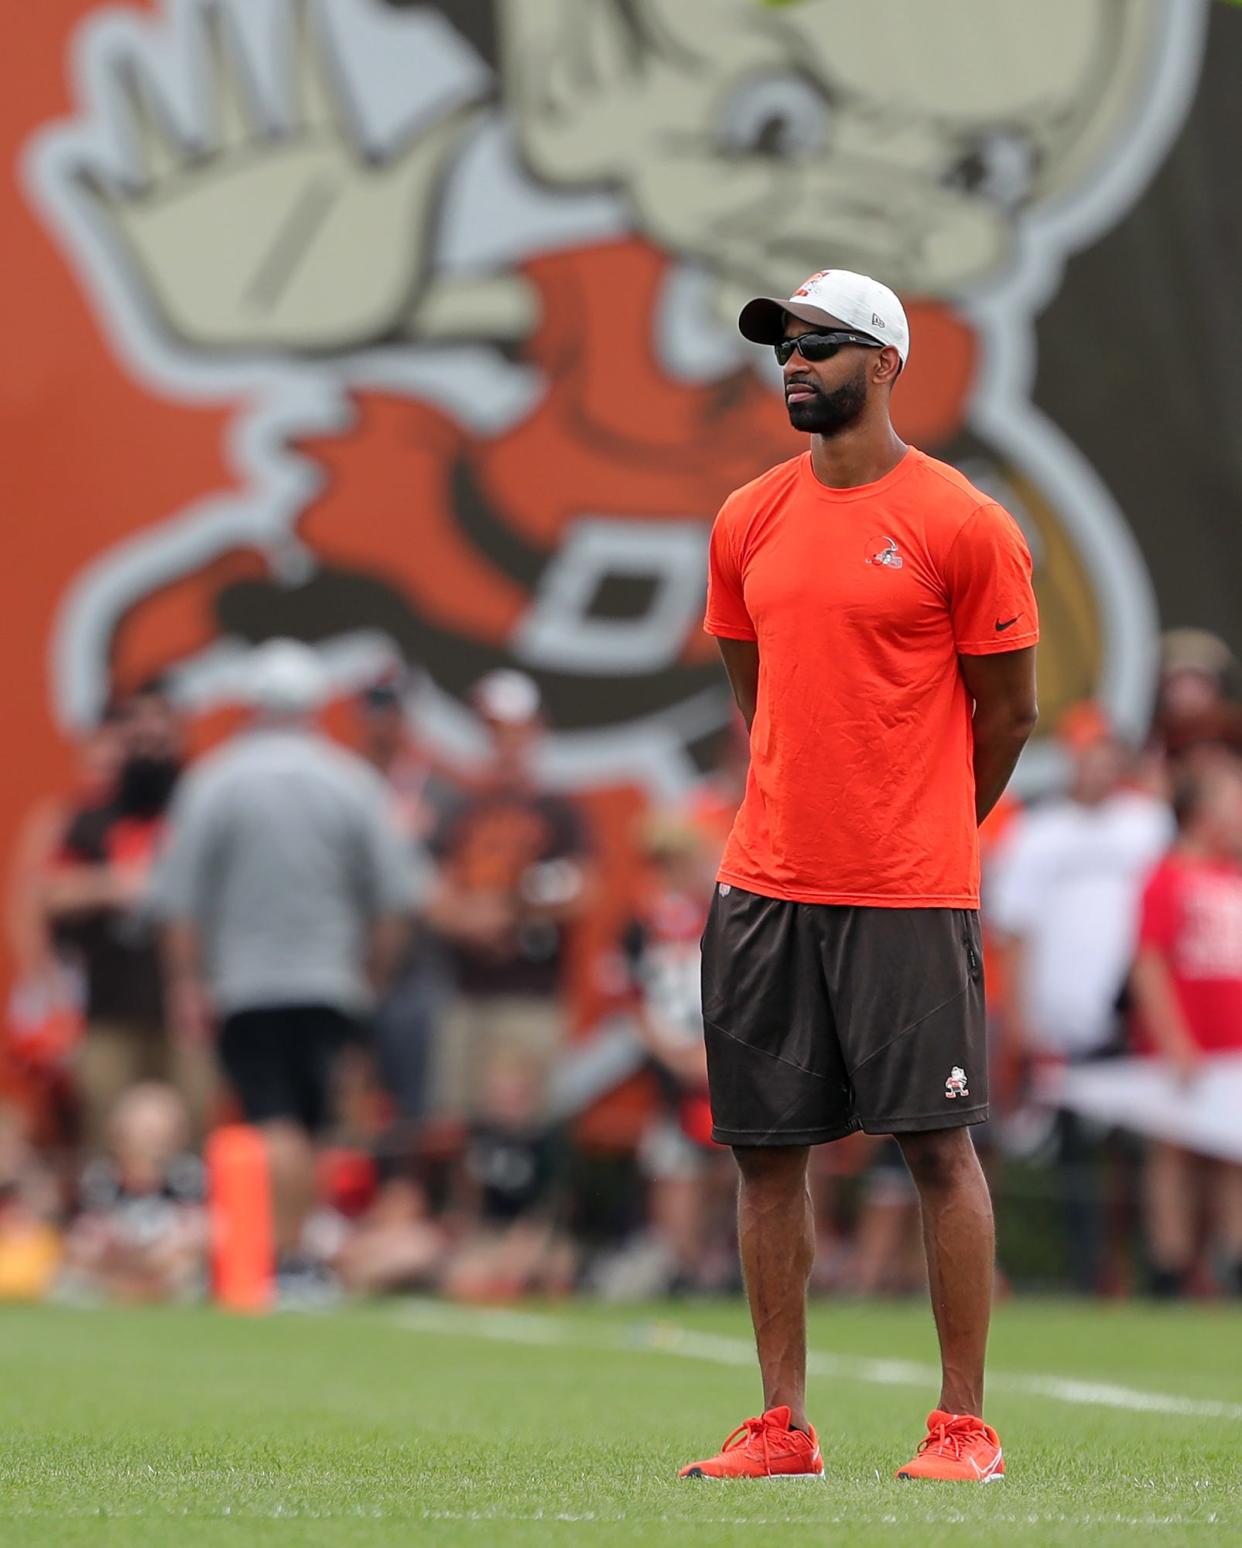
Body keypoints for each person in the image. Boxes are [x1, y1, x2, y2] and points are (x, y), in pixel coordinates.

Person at [679, 269, 1038, 1483]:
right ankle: (781, 1427)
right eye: (782, 344)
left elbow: (1011, 711)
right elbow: (754, 690)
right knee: (764, 1156)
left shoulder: (964, 522)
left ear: (883, 362)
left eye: (820, 345)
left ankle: (963, 1429)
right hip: (766, 884)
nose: (793, 362)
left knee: (938, 1147)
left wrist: (926, 825)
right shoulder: (746, 519)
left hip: (908, 890)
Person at [151, 641, 423, 1291]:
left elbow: (178, 901)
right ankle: (298, 1251)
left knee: (272, 1119)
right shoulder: (350, 782)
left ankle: (288, 1254)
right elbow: (396, 899)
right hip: (330, 981)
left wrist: (188, 983)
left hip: (247, 983)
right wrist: (373, 976)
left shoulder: (214, 781)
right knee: (319, 1124)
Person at [426, 671, 593, 1124]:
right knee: (455, 1128)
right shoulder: (462, 808)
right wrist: (467, 918)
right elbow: (434, 894)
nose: (503, 743)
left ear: (535, 732)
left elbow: (581, 890)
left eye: (512, 730)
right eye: (493, 731)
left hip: (529, 996)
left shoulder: (557, 810)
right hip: (466, 994)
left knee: (518, 1130)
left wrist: (507, 910)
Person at [1130, 756, 1242, 1297]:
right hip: (1182, 1047)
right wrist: (1174, 1039)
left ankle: (1228, 1260)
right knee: (1172, 1153)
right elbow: (1149, 960)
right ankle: (1170, 1267)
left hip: (1232, 1046)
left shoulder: (1232, 875)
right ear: (1202, 811)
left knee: (1231, 1156)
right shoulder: (1166, 876)